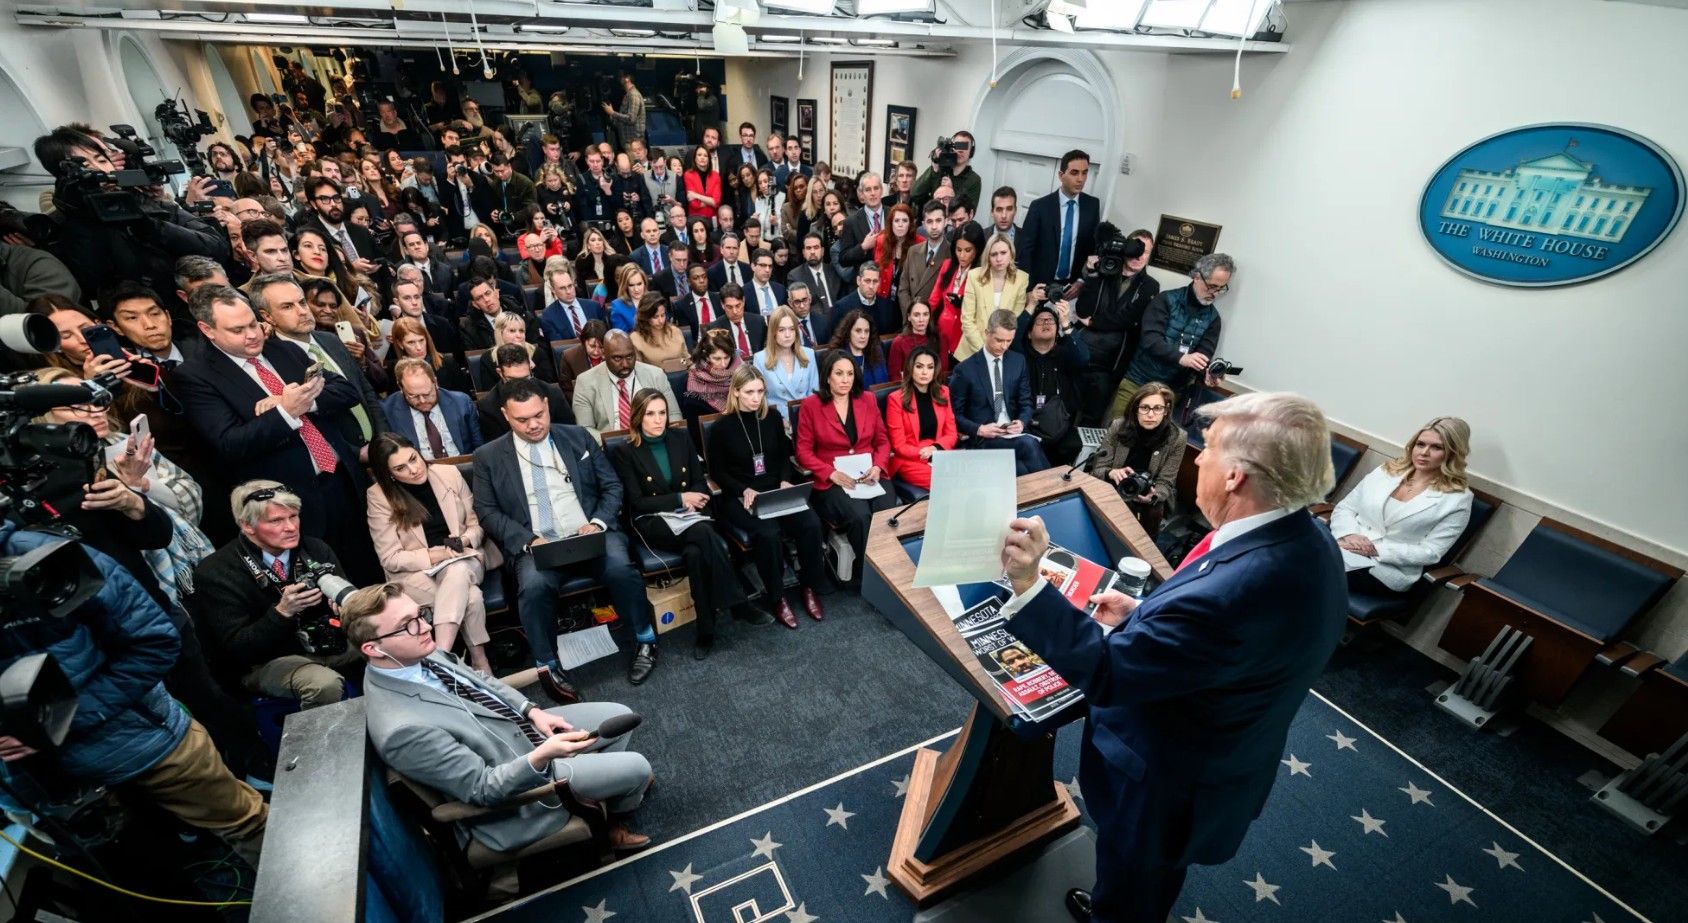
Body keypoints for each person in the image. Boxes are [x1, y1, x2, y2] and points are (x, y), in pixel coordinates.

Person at [999, 391, 1346, 923]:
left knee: (1135, 890)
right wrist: (1142, 614)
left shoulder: (1237, 591)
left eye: (1206, 448)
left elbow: (1112, 675)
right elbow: (1228, 644)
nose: (1198, 458)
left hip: (1164, 786)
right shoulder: (1307, 540)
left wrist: (1028, 585)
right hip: (1215, 758)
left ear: (1236, 477)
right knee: (1137, 877)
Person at [0, 520, 267, 868]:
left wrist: (55, 721)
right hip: (43, 786)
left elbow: (153, 642)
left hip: (143, 743)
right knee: (136, 873)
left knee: (247, 825)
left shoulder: (41, 557)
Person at [348, 583, 653, 858]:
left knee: (620, 716)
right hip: (523, 782)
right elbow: (483, 789)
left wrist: (532, 711)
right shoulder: (402, 729)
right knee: (639, 767)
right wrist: (543, 755)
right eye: (408, 624)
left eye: (421, 614)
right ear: (373, 648)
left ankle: (608, 798)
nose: (425, 626)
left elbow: (480, 681)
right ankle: (606, 821)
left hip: (519, 728)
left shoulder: (412, 652)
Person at [173, 284, 380, 582]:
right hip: (289, 503)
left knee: (369, 573)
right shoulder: (196, 376)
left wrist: (302, 401)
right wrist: (286, 412)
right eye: (237, 329)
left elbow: (345, 390)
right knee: (325, 585)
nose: (252, 334)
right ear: (208, 330)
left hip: (344, 481)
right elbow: (231, 443)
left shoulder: (280, 348)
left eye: (254, 323)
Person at [473, 379, 660, 689]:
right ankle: (547, 664)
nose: (534, 425)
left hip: (590, 532)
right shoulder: (488, 456)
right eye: (523, 419)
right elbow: (488, 512)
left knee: (621, 568)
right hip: (537, 544)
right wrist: (528, 541)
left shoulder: (577, 437)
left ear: (547, 406)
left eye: (539, 415)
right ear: (506, 415)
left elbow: (612, 486)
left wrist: (598, 522)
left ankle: (645, 639)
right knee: (533, 587)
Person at [32, 125, 230, 324]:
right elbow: (92, 283)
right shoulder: (65, 227)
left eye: (101, 160)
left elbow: (216, 247)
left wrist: (147, 225)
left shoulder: (147, 202)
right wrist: (81, 219)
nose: (101, 170)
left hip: (201, 312)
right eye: (85, 166)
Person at [191, 480, 362, 708]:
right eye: (277, 521)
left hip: (326, 643)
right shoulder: (217, 571)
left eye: (293, 516)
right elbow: (238, 648)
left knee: (390, 638)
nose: (291, 527)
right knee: (324, 685)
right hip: (265, 662)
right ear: (247, 526)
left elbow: (350, 602)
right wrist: (282, 612)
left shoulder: (314, 549)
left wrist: (344, 610)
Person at [609, 389, 751, 659]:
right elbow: (637, 503)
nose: (657, 419)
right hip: (654, 522)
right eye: (650, 414)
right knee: (702, 533)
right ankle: (737, 601)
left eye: (662, 413)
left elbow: (699, 480)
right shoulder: (626, 452)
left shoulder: (680, 437)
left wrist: (691, 499)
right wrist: (678, 497)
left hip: (688, 516)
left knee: (696, 553)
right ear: (638, 416)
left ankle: (705, 631)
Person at [708, 365, 829, 627]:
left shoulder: (772, 418)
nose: (756, 398)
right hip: (740, 495)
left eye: (760, 392)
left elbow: (784, 457)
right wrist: (742, 489)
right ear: (736, 392)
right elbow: (717, 471)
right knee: (769, 533)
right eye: (749, 392)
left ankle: (809, 586)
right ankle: (777, 597)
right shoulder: (721, 428)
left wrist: (786, 480)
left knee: (811, 523)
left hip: (776, 488)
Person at [366, 434, 496, 674]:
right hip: (416, 573)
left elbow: (477, 525)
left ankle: (439, 657)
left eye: (414, 459)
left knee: (457, 570)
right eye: (401, 468)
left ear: (418, 451)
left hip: (465, 558)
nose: (414, 470)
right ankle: (480, 662)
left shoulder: (448, 474)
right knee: (472, 597)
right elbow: (390, 558)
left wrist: (463, 540)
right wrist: (439, 555)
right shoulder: (379, 496)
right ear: (389, 474)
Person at [1328, 416, 1475, 597]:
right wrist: (1349, 534)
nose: (1424, 452)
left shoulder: (1457, 499)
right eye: (1420, 444)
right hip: (1344, 547)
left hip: (1383, 569)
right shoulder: (1386, 471)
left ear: (1453, 453)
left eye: (1436, 447)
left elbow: (1431, 552)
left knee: (1314, 568)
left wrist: (1375, 549)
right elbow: (1345, 508)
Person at [250, 273, 388, 463]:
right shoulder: (271, 361)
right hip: (343, 464)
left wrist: (384, 440)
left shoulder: (332, 340)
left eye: (302, 302)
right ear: (267, 316)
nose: (302, 311)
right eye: (288, 306)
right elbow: (308, 425)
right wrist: (355, 454)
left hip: (380, 450)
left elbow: (365, 391)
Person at [794, 350, 897, 591]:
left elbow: (882, 441)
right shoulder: (811, 405)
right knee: (860, 517)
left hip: (869, 474)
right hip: (834, 481)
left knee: (887, 512)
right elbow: (803, 452)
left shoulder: (868, 400)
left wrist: (878, 465)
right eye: (839, 373)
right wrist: (830, 472)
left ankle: (892, 568)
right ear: (827, 377)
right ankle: (870, 575)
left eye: (850, 374)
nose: (845, 379)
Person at [1118, 252, 1237, 418]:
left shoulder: (1213, 319)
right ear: (1196, 276)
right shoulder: (1165, 300)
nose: (1215, 293)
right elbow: (1150, 340)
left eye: (1221, 288)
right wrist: (1182, 358)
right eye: (1211, 286)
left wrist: (1207, 375)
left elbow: (1202, 357)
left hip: (1171, 393)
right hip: (1137, 383)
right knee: (1116, 432)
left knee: (1151, 442)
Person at [949, 309, 1050, 475]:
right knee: (1029, 445)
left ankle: (1050, 494)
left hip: (1013, 433)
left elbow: (1026, 402)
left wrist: (1022, 422)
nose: (1004, 346)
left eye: (1009, 341)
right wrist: (979, 429)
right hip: (984, 438)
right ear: (987, 333)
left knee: (1023, 467)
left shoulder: (1018, 362)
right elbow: (954, 415)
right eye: (999, 340)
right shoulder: (965, 370)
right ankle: (1054, 493)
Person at [1074, 229, 1159, 426]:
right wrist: (1093, 274)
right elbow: (1082, 309)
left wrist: (1095, 322)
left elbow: (1128, 318)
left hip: (1111, 362)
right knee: (1066, 408)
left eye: (1145, 252)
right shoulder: (1105, 271)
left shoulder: (1150, 286)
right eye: (1136, 248)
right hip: (1081, 352)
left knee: (1092, 417)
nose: (1139, 255)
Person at [1086, 382, 1186, 535]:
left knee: (1153, 511)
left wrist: (1154, 495)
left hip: (1145, 499)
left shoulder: (1177, 438)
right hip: (1113, 487)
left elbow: (1166, 482)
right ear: (1135, 408)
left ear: (1166, 411)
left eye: (1158, 408)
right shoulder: (1118, 426)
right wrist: (1111, 473)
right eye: (1145, 408)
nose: (1151, 415)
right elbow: (1098, 468)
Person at [571, 329, 682, 440]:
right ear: (604, 354)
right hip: (612, 447)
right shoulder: (585, 382)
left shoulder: (656, 375)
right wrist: (614, 444)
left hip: (653, 440)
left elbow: (674, 416)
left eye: (629, 357)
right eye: (617, 358)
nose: (625, 364)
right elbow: (585, 429)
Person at [1015, 300, 1089, 465]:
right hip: (1023, 422)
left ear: (1057, 333)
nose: (1046, 322)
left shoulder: (1064, 354)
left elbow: (1083, 358)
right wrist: (1031, 304)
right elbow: (1013, 335)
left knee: (1071, 445)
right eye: (1040, 320)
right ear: (1029, 333)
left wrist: (1065, 322)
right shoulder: (1020, 355)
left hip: (1057, 423)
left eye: (1051, 320)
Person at [1017, 149, 1101, 287]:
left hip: (1073, 286)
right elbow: (1026, 251)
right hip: (1041, 285)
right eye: (1074, 173)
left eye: (1084, 173)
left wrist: (1081, 279)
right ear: (1061, 175)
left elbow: (1092, 248)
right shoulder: (1040, 207)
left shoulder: (1092, 205)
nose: (1080, 179)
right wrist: (1028, 288)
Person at [885, 346, 957, 491]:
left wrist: (935, 448)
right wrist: (924, 453)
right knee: (948, 484)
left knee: (969, 476)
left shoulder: (943, 392)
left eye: (930, 367)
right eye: (919, 367)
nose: (925, 372)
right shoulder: (895, 399)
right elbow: (899, 445)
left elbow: (951, 433)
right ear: (910, 369)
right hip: (910, 459)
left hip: (939, 452)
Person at [384, 357, 483, 460]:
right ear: (401, 388)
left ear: (435, 382)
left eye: (427, 394)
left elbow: (480, 446)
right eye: (413, 396)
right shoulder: (387, 411)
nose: (422, 401)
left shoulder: (461, 403)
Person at [477, 344, 576, 440]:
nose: (520, 385)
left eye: (525, 378)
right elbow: (497, 448)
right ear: (500, 372)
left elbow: (569, 432)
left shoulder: (553, 393)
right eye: (512, 379)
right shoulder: (488, 406)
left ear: (530, 368)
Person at [753, 306, 818, 412]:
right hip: (778, 420)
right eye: (781, 330)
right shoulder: (760, 359)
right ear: (773, 332)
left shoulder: (809, 354)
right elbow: (761, 398)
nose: (788, 335)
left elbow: (814, 392)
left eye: (792, 329)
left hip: (807, 416)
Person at [387, 314, 472, 394]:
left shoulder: (447, 362)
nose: (419, 347)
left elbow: (463, 397)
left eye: (421, 340)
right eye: (411, 342)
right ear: (400, 344)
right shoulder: (395, 371)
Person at [474, 311, 558, 390]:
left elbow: (549, 386)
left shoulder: (537, 353)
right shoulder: (488, 358)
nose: (518, 335)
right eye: (512, 331)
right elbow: (490, 392)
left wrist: (532, 366)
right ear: (500, 333)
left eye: (521, 331)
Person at [898, 201, 952, 319]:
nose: (934, 226)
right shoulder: (913, 251)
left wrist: (926, 318)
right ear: (923, 224)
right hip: (912, 320)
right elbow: (903, 288)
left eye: (938, 220)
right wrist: (912, 314)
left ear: (946, 221)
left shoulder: (952, 254)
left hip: (935, 324)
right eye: (929, 221)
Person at [536, 262, 610, 343]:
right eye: (562, 288)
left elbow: (605, 336)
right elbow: (558, 348)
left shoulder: (593, 306)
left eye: (570, 286)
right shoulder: (548, 316)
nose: (568, 291)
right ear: (553, 290)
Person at [911, 130, 982, 212]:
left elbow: (969, 212)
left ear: (971, 152)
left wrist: (951, 191)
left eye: (964, 147)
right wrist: (934, 169)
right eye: (957, 146)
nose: (960, 150)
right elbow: (914, 194)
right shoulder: (939, 171)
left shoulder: (974, 180)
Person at [825, 308, 889, 389]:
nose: (863, 336)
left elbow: (884, 386)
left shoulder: (876, 351)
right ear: (848, 331)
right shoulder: (837, 356)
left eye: (866, 331)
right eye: (858, 331)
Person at [832, 262, 897, 341]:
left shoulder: (888, 307)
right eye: (867, 281)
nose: (871, 286)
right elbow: (836, 340)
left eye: (875, 281)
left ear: (879, 282)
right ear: (858, 280)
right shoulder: (842, 307)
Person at [836, 171, 887, 271]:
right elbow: (843, 260)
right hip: (866, 281)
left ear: (881, 190)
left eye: (876, 188)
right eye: (868, 190)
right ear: (861, 194)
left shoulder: (893, 214)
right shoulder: (851, 222)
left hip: (890, 279)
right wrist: (863, 247)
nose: (873, 193)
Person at [788, 232, 843, 322]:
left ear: (822, 251)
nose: (812, 252)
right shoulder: (795, 276)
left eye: (816, 247)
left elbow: (841, 299)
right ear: (803, 252)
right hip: (815, 324)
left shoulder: (833, 271)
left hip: (839, 321)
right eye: (808, 248)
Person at [887, 299, 945, 383]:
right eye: (916, 315)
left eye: (925, 314)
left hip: (935, 386)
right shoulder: (898, 342)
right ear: (909, 317)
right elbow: (895, 377)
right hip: (908, 389)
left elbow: (942, 371)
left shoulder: (940, 338)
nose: (921, 319)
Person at [630, 292, 688, 371]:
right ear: (646, 317)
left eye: (663, 315)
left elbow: (687, 360)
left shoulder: (675, 331)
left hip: (682, 378)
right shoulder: (636, 338)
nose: (661, 321)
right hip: (654, 382)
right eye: (655, 317)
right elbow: (639, 372)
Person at [556, 319, 607, 402]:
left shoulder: (611, 354)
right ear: (583, 342)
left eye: (601, 347)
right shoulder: (569, 357)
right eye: (592, 346)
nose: (597, 351)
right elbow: (566, 391)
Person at [575, 226, 628, 302]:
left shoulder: (613, 260)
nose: (597, 243)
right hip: (593, 301)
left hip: (615, 298)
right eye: (593, 240)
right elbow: (582, 289)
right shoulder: (582, 263)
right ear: (588, 245)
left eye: (600, 240)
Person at [601, 69, 648, 147]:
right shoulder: (628, 95)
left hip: (633, 143)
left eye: (620, 76)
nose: (619, 79)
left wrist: (612, 112)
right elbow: (623, 121)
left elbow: (631, 119)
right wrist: (611, 116)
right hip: (628, 141)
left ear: (627, 78)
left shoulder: (633, 95)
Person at [683, 143, 722, 222]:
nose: (702, 158)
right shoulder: (688, 175)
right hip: (695, 220)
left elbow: (716, 202)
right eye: (699, 155)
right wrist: (709, 201)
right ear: (695, 158)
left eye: (705, 155)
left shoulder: (715, 176)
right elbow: (694, 204)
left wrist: (696, 195)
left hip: (712, 219)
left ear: (709, 159)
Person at [745, 248, 787, 319]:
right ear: (753, 266)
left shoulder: (780, 289)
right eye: (763, 265)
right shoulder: (744, 292)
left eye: (770, 266)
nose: (767, 270)